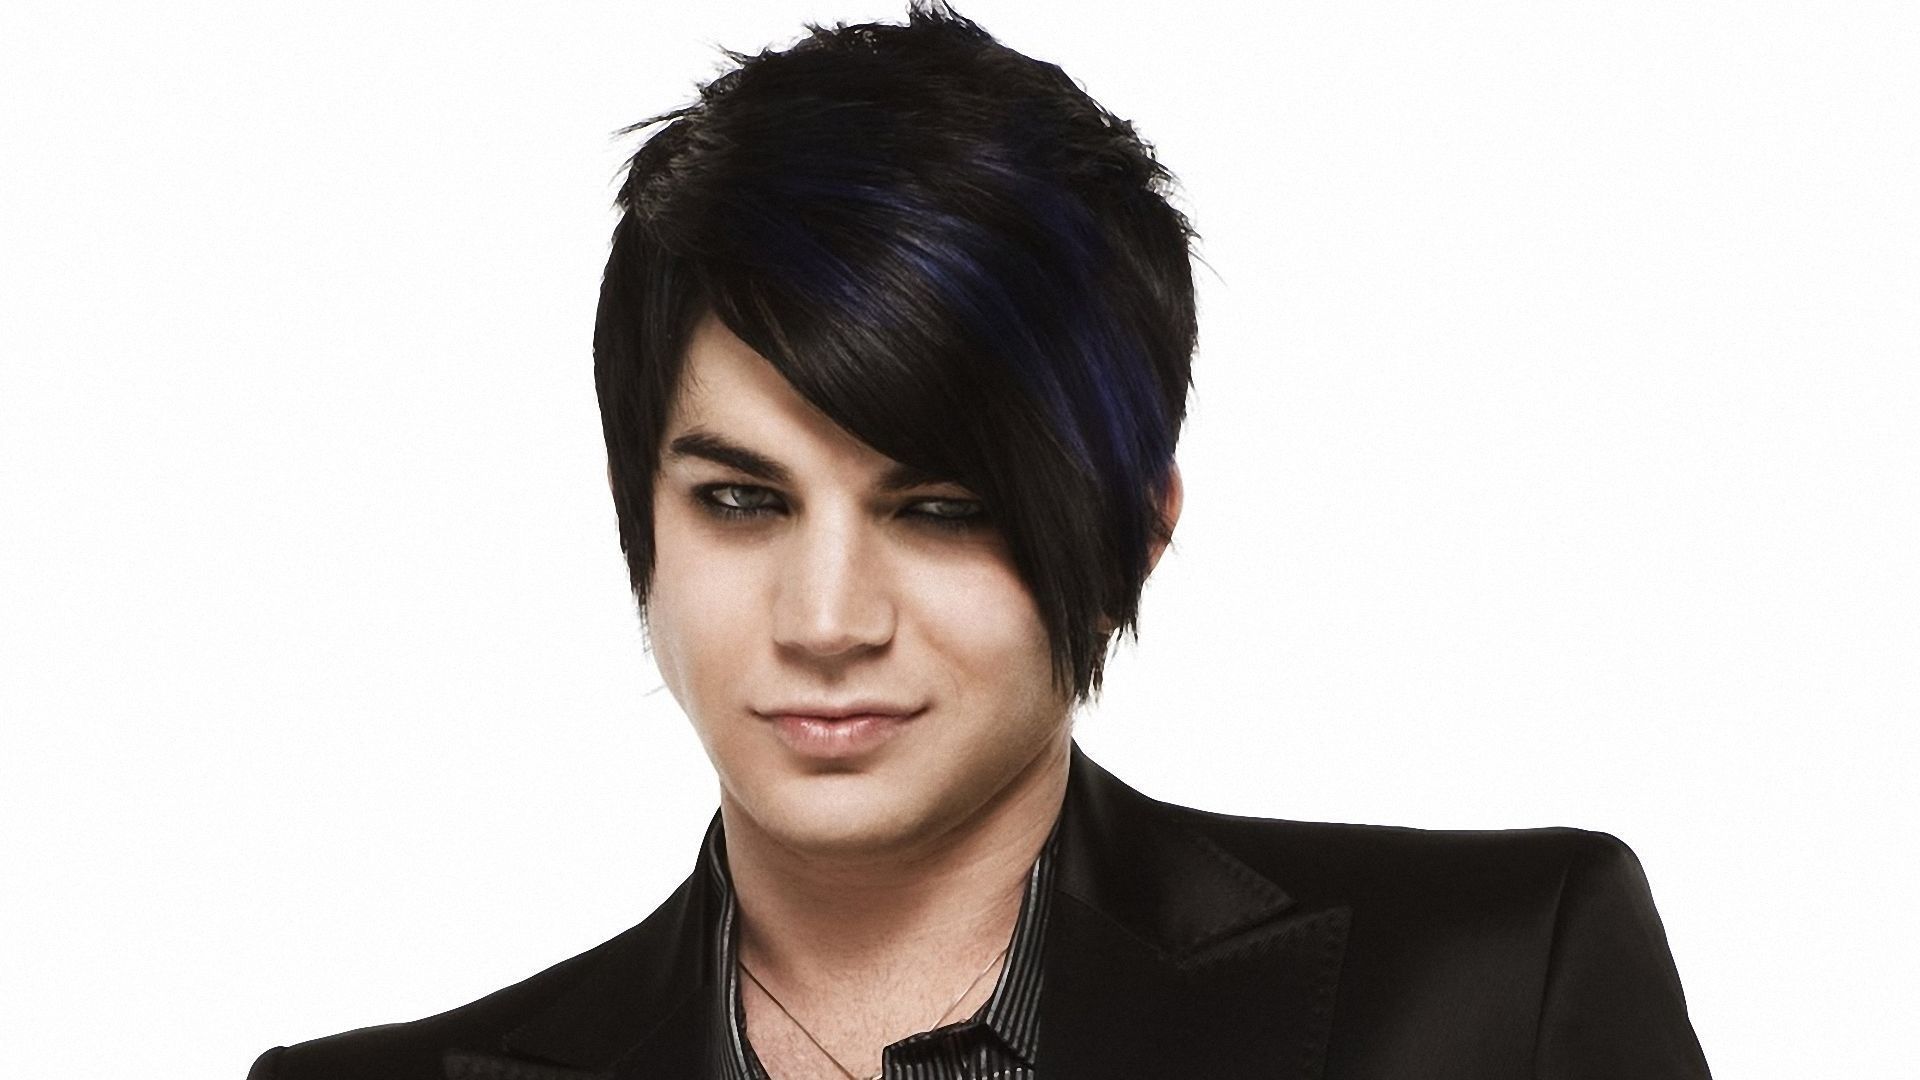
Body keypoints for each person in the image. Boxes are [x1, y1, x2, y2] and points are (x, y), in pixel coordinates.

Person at [247, 3, 1711, 1077]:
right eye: (743, 501)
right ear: (643, 518)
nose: (827, 620)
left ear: (1133, 538)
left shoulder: (1493, 995)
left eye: (941, 511)